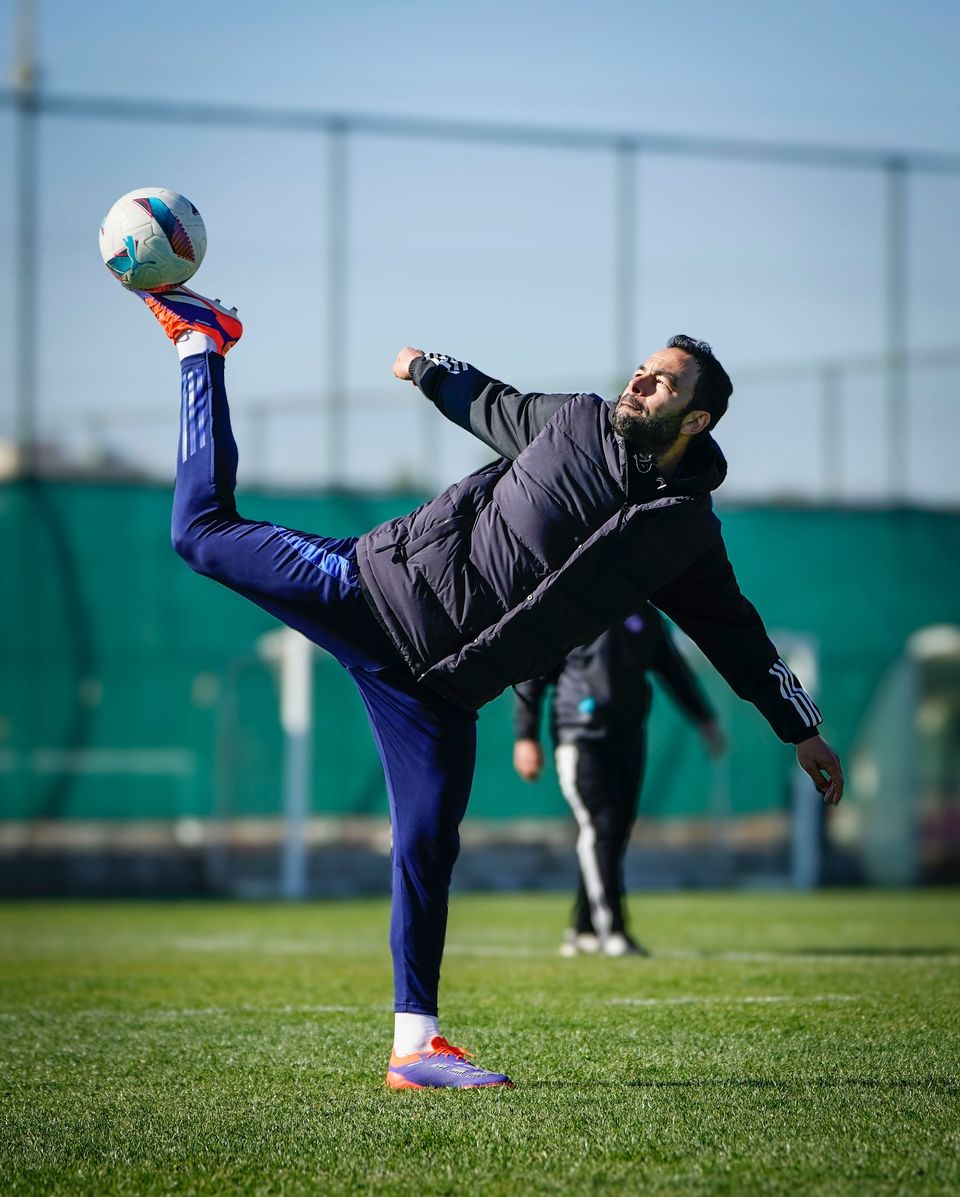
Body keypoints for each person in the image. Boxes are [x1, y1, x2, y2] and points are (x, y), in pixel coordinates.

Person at [118, 282, 844, 1090]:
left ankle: (416, 1048)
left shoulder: (683, 533)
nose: (639, 382)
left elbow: (737, 634)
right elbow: (487, 400)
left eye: (663, 380)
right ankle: (201, 343)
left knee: (428, 841)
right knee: (201, 533)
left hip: (441, 693)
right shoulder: (572, 421)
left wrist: (800, 727)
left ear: (696, 420)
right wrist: (427, 368)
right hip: (373, 593)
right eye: (643, 369)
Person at [513, 603, 726, 958]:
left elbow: (672, 668)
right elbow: (532, 673)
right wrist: (526, 736)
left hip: (629, 738)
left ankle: (582, 930)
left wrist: (704, 718)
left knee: (613, 835)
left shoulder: (644, 612)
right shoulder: (569, 605)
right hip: (579, 735)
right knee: (602, 827)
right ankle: (612, 930)